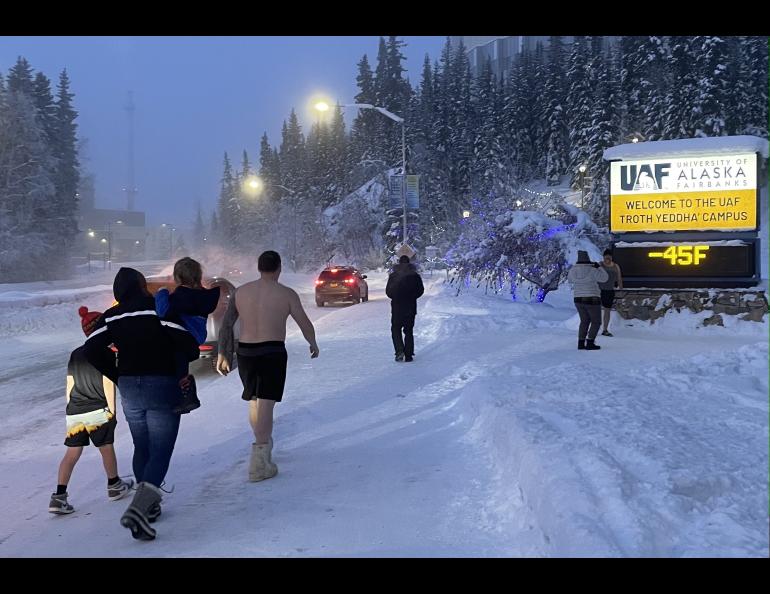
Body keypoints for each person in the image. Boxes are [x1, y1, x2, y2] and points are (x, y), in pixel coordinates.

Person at [84, 267, 199, 540]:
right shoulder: (157, 310)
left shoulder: (112, 316)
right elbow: (190, 346)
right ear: (140, 285)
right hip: (160, 385)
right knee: (160, 450)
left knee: (142, 446)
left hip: (129, 389)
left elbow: (91, 348)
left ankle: (149, 508)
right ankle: (139, 508)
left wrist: (117, 374)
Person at [216, 250, 319, 482]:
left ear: (259, 267)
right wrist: (312, 343)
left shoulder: (241, 292)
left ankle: (262, 445)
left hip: (246, 351)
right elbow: (304, 322)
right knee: (267, 403)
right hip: (271, 351)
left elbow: (227, 325)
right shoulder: (286, 294)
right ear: (279, 269)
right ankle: (259, 459)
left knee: (254, 399)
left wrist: (223, 352)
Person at [48, 307, 134, 515]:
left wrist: (70, 410)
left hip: (75, 410)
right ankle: (114, 485)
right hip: (98, 409)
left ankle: (59, 496)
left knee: (71, 453)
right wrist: (112, 412)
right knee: (106, 447)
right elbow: (107, 383)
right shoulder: (105, 352)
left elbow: (70, 384)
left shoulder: (76, 353)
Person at [154, 257, 220, 413]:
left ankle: (184, 392)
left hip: (183, 334)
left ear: (178, 277)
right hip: (196, 336)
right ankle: (184, 387)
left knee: (172, 351)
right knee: (179, 355)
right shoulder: (204, 296)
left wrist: (162, 292)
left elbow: (162, 312)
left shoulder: (181, 296)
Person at [567, 250, 609, 351]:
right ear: (588, 260)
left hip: (578, 299)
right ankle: (590, 342)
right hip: (592, 299)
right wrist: (599, 267)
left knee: (584, 321)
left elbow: (570, 280)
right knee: (596, 322)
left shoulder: (573, 270)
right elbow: (605, 278)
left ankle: (581, 343)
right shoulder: (593, 270)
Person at [386, 255, 425, 362]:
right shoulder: (415, 276)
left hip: (397, 307)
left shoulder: (393, 276)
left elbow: (388, 292)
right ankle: (408, 354)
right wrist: (412, 297)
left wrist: (396, 296)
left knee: (395, 329)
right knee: (408, 330)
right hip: (410, 307)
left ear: (399, 263)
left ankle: (399, 351)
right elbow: (420, 290)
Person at [599, 249, 623, 337]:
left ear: (611, 257)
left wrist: (621, 289)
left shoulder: (616, 266)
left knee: (607, 310)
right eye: (606, 256)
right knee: (596, 310)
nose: (608, 258)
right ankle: (594, 328)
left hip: (609, 291)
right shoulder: (600, 265)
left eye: (609, 256)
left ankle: (605, 329)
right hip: (599, 290)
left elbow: (619, 278)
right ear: (604, 257)